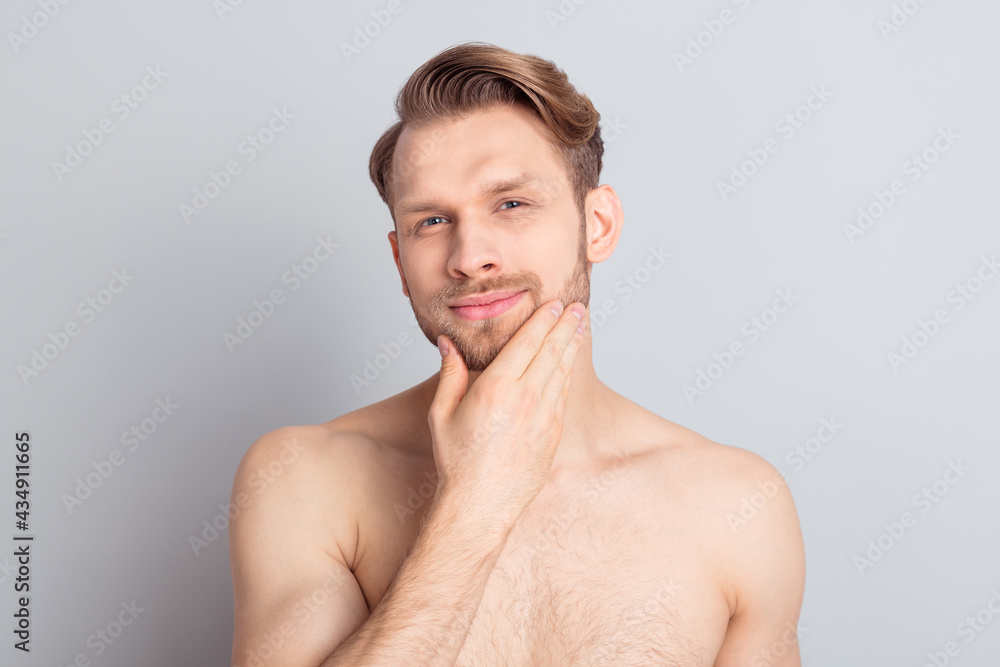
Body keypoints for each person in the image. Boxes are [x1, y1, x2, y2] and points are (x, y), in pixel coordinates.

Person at [229, 41, 805, 666]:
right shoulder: (303, 479)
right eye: (431, 221)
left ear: (598, 225)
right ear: (400, 262)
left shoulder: (736, 505)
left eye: (511, 204)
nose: (470, 254)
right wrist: (476, 499)